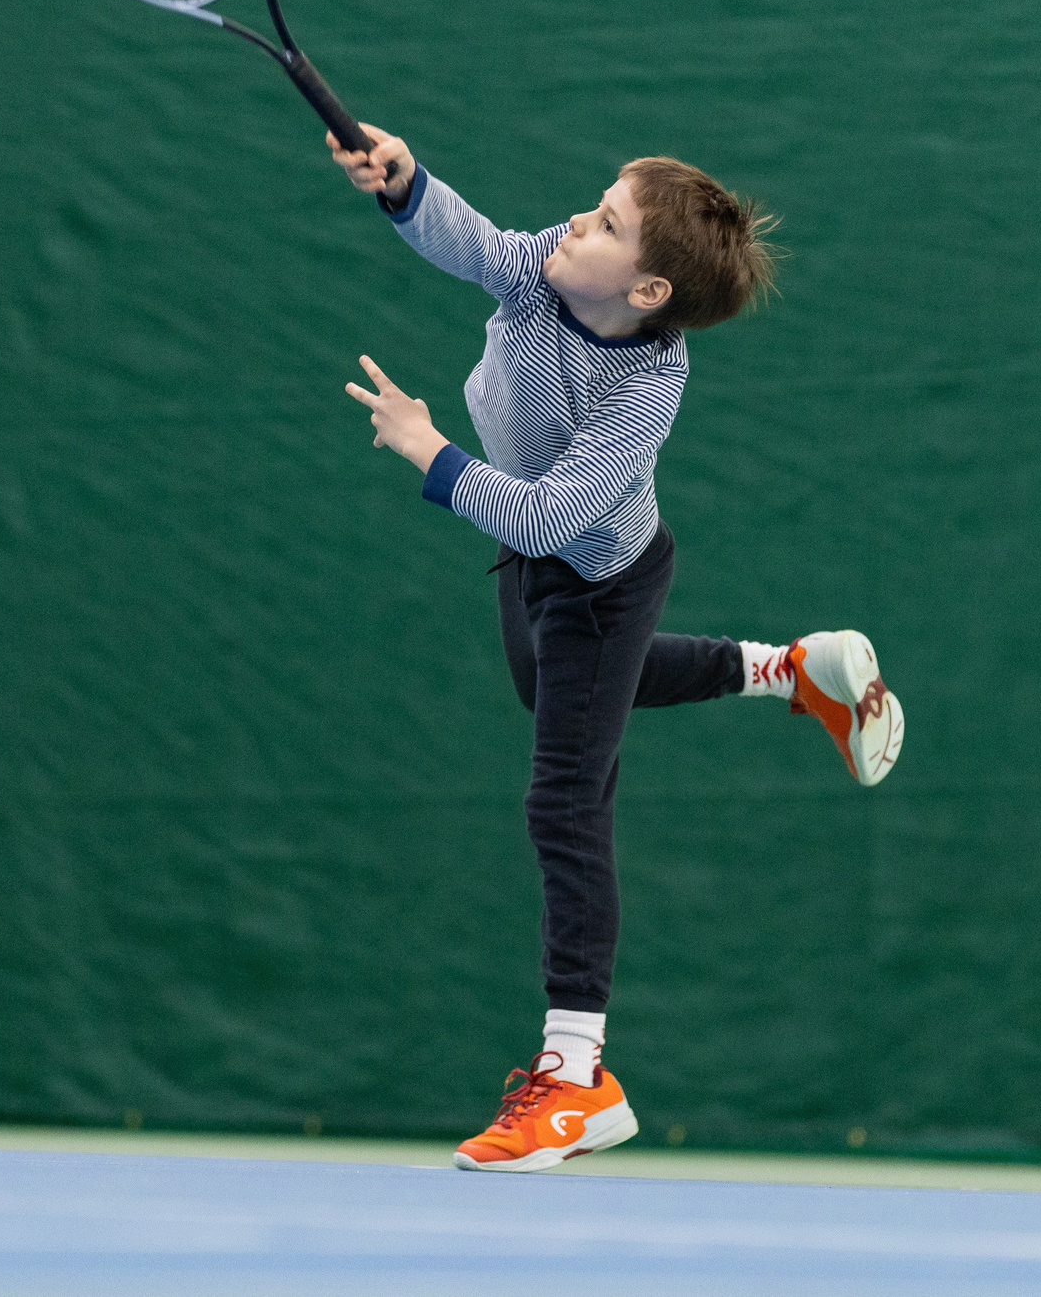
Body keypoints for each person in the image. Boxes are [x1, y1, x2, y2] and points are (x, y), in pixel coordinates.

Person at [330, 124, 905, 1174]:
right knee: (546, 693)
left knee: (563, 797)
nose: (573, 225)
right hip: (528, 559)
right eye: (593, 205)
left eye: (603, 224)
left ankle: (576, 1077)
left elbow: (554, 516)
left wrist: (427, 448)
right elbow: (471, 241)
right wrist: (405, 184)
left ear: (645, 292)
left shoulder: (644, 390)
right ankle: (790, 670)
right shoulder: (548, 271)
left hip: (599, 582)